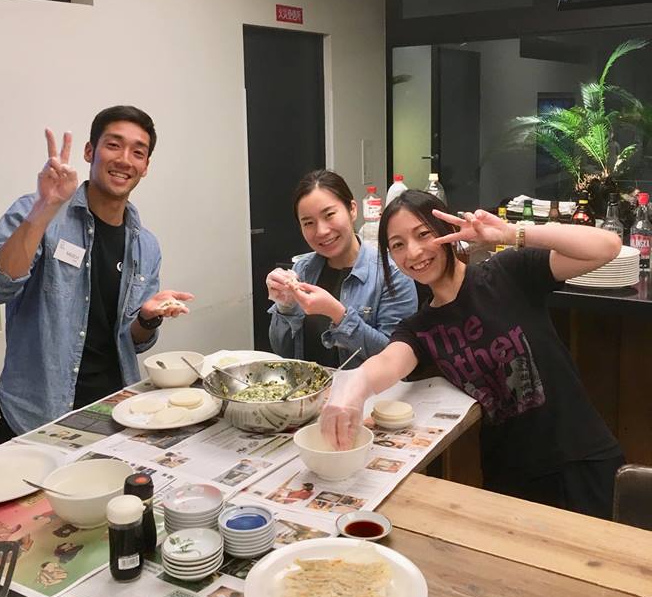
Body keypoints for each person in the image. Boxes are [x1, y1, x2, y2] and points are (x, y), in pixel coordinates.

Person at [320, 190, 625, 519]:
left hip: (579, 460)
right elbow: (387, 362)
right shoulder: (420, 328)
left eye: (423, 234)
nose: (414, 252)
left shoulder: (507, 273)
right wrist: (352, 390)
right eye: (398, 245)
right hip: (511, 479)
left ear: (448, 231)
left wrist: (511, 233)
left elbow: (607, 246)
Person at [0, 106, 193, 442]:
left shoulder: (145, 245)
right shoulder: (38, 211)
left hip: (116, 412)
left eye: (138, 152)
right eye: (114, 145)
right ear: (90, 151)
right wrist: (43, 210)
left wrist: (147, 319)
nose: (125, 159)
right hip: (38, 416)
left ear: (146, 166)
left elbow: (133, 342)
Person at [266, 169, 418, 367]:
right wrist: (284, 307)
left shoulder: (392, 274)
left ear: (352, 209)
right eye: (308, 223)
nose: (321, 231)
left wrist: (338, 314)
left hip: (366, 388)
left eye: (329, 215)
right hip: (308, 385)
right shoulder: (303, 269)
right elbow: (283, 351)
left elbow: (396, 360)